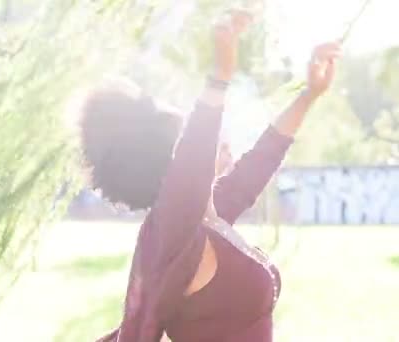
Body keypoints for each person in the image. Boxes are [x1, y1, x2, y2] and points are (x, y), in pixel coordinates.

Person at [79, 8, 341, 342]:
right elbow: (194, 155)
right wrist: (220, 76)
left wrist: (309, 94)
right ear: (182, 164)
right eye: (203, 144)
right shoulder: (174, 228)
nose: (224, 139)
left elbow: (263, 157)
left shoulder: (209, 216)